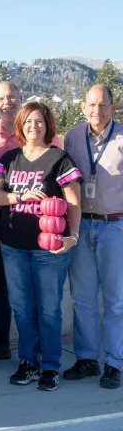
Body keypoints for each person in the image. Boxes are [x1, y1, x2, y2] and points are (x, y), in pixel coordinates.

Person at [0, 101, 82, 391]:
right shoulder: (10, 158)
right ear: (20, 125)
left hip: (49, 250)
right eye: (28, 121)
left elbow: (74, 201)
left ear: (47, 125)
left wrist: (73, 236)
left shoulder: (59, 158)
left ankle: (50, 365)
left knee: (49, 309)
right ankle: (28, 360)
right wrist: (18, 197)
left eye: (39, 121)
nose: (33, 126)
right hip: (13, 246)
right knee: (22, 307)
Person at [0, 82, 61, 364]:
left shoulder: (44, 138)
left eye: (12, 97)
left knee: (39, 296)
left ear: (21, 99)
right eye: (0, 98)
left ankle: (41, 353)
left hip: (38, 226)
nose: (6, 102)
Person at [63, 84, 123, 389]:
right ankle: (87, 358)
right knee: (82, 298)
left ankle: (114, 362)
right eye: (91, 105)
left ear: (113, 107)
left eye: (102, 105)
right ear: (83, 107)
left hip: (115, 226)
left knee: (116, 300)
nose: (96, 111)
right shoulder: (73, 137)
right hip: (81, 226)